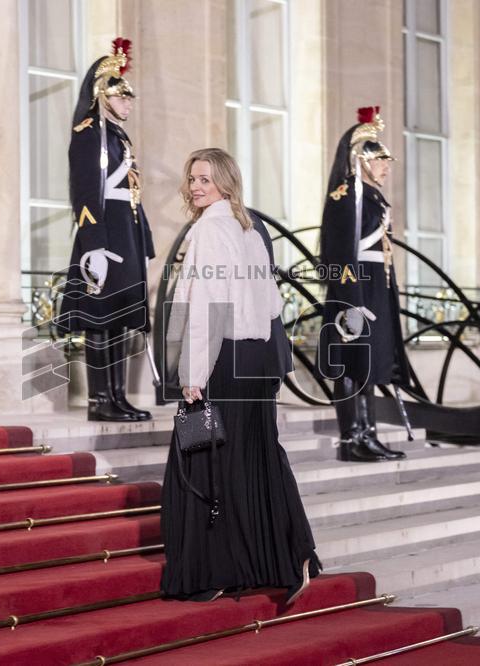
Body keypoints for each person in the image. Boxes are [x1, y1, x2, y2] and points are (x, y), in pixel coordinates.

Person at [161, 148, 321, 603]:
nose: (195, 187)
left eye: (205, 180)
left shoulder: (211, 229)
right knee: (258, 459)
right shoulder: (251, 227)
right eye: (192, 178)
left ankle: (215, 571)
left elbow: (208, 309)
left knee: (201, 461)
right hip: (256, 360)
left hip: (222, 361)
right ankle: (294, 559)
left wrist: (191, 374)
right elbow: (272, 305)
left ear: (225, 184)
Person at [55, 38, 155, 422]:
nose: (129, 101)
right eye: (122, 94)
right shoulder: (88, 134)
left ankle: (118, 395)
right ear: (103, 93)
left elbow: (132, 193)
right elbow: (84, 193)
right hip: (102, 238)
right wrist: (94, 246)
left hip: (125, 234)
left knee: (121, 317)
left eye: (130, 95)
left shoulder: (117, 137)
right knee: (100, 317)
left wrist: (142, 239)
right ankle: (100, 400)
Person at [317, 106, 409, 462]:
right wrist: (353, 303)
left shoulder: (371, 198)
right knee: (350, 364)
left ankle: (369, 434)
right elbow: (339, 256)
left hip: (375, 288)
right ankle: (351, 437)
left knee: (368, 366)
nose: (387, 166)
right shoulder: (346, 197)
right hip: (354, 292)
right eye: (381, 159)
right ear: (362, 160)